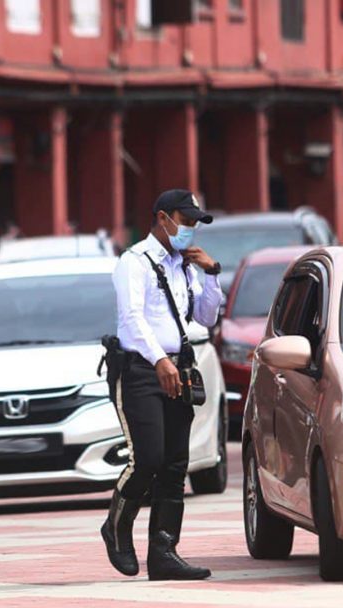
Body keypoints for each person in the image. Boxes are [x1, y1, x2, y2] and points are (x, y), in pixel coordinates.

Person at [101, 189, 224, 581]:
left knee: (175, 465)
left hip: (178, 369)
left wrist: (212, 272)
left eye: (193, 223)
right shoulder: (133, 262)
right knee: (148, 459)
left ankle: (164, 553)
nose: (188, 229)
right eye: (184, 221)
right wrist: (159, 360)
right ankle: (117, 527)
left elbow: (205, 318)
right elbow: (131, 320)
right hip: (141, 370)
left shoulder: (185, 266)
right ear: (161, 218)